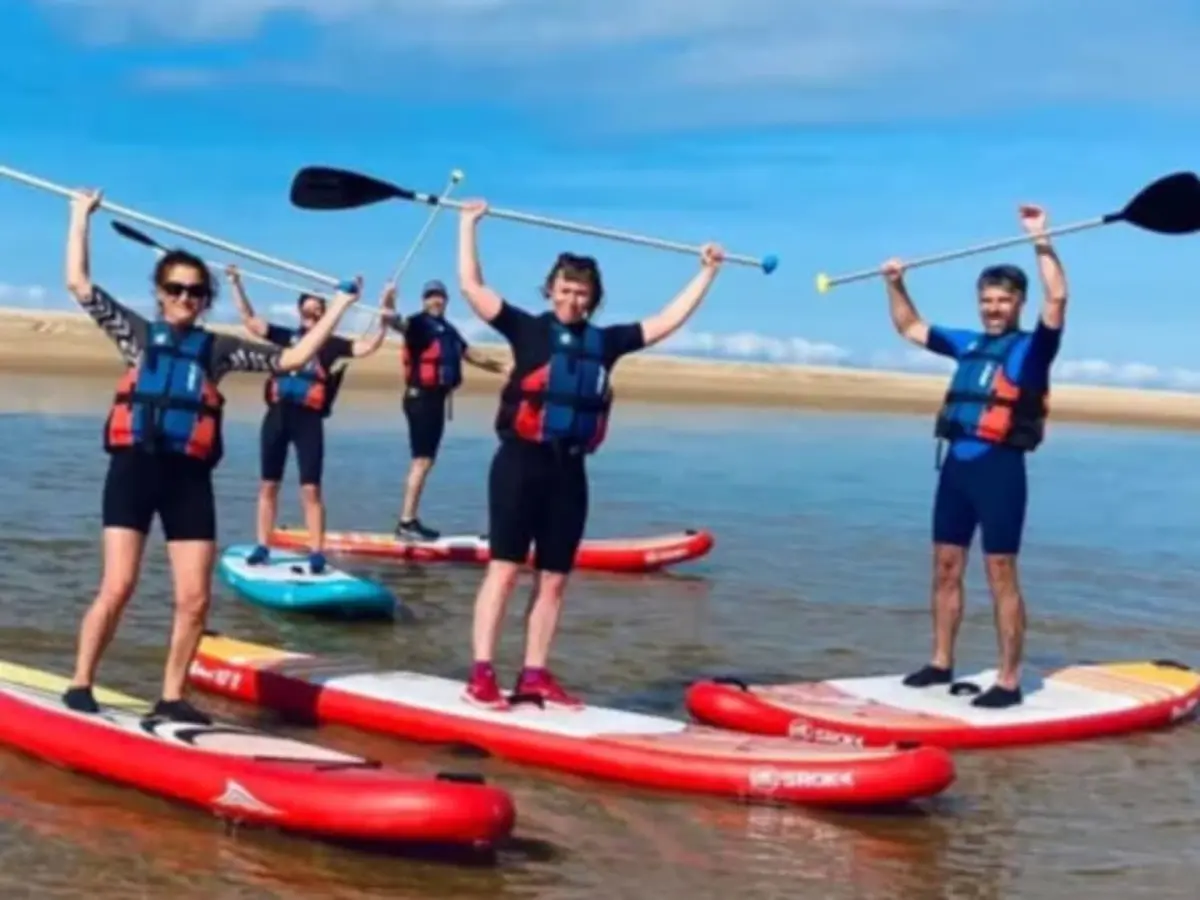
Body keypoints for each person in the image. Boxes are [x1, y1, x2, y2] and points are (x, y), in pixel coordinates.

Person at [61, 188, 360, 723]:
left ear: (205, 299)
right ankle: (81, 683)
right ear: (159, 294)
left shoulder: (217, 350)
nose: (185, 299)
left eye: (195, 292)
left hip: (188, 479)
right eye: (175, 290)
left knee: (195, 599)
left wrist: (337, 307)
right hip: (133, 471)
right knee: (119, 586)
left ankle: (172, 697)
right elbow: (80, 285)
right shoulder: (135, 334)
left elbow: (292, 357)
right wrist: (79, 216)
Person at [455, 198, 726, 709]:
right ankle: (482, 675)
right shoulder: (525, 328)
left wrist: (706, 273)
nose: (572, 300)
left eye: (582, 293)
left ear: (593, 299)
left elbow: (667, 320)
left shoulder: (607, 342)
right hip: (519, 464)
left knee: (555, 579)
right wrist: (468, 224)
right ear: (550, 290)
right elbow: (472, 286)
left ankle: (534, 675)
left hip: (570, 472)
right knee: (506, 569)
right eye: (564, 290)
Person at [882, 203, 1067, 710]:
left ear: (1018, 303)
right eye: (986, 300)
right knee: (945, 566)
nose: (993, 308)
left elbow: (1058, 297)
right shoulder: (966, 345)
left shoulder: (1031, 351)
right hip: (957, 470)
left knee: (1000, 572)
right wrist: (895, 283)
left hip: (1000, 470)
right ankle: (941, 661)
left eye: (1003, 300)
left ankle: (1009, 680)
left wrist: (1041, 238)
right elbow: (909, 326)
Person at [228, 268, 396, 572]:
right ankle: (263, 545)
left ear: (324, 314)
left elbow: (368, 346)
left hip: (308, 420)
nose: (313, 312)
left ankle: (316, 551)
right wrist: (236, 283)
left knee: (311, 489)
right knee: (268, 485)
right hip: (277, 415)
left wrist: (385, 314)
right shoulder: (284, 336)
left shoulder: (330, 344)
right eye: (309, 307)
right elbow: (250, 322)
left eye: (319, 308)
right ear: (300, 309)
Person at [390, 278, 507, 541]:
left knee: (426, 460)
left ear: (446, 300)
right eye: (431, 296)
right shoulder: (418, 324)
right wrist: (388, 300)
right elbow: (394, 322)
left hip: (435, 401)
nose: (436, 300)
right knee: (421, 460)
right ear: (423, 300)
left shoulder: (448, 330)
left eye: (440, 296)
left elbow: (471, 354)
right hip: (420, 398)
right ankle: (406, 522)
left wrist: (503, 368)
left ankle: (409, 520)